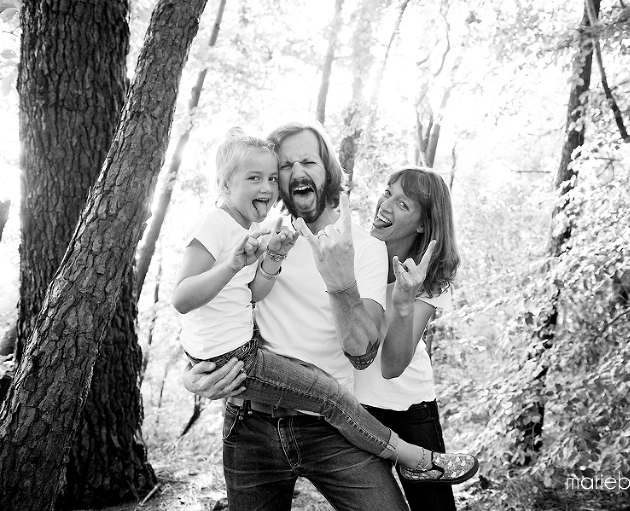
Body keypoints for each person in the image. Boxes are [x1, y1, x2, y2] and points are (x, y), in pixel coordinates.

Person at [182, 122, 477, 511]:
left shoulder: (367, 248)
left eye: (309, 161)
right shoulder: (259, 235)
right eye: (284, 166)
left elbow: (363, 355)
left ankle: (414, 458)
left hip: (330, 428)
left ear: (329, 171)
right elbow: (208, 303)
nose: (297, 172)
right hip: (250, 422)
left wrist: (341, 282)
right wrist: (195, 372)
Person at [356, 166, 463, 510]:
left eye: (403, 204)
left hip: (409, 407)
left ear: (422, 223)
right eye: (388, 193)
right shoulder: (352, 253)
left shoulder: (430, 276)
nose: (385, 205)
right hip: (355, 407)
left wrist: (403, 304)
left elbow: (392, 365)